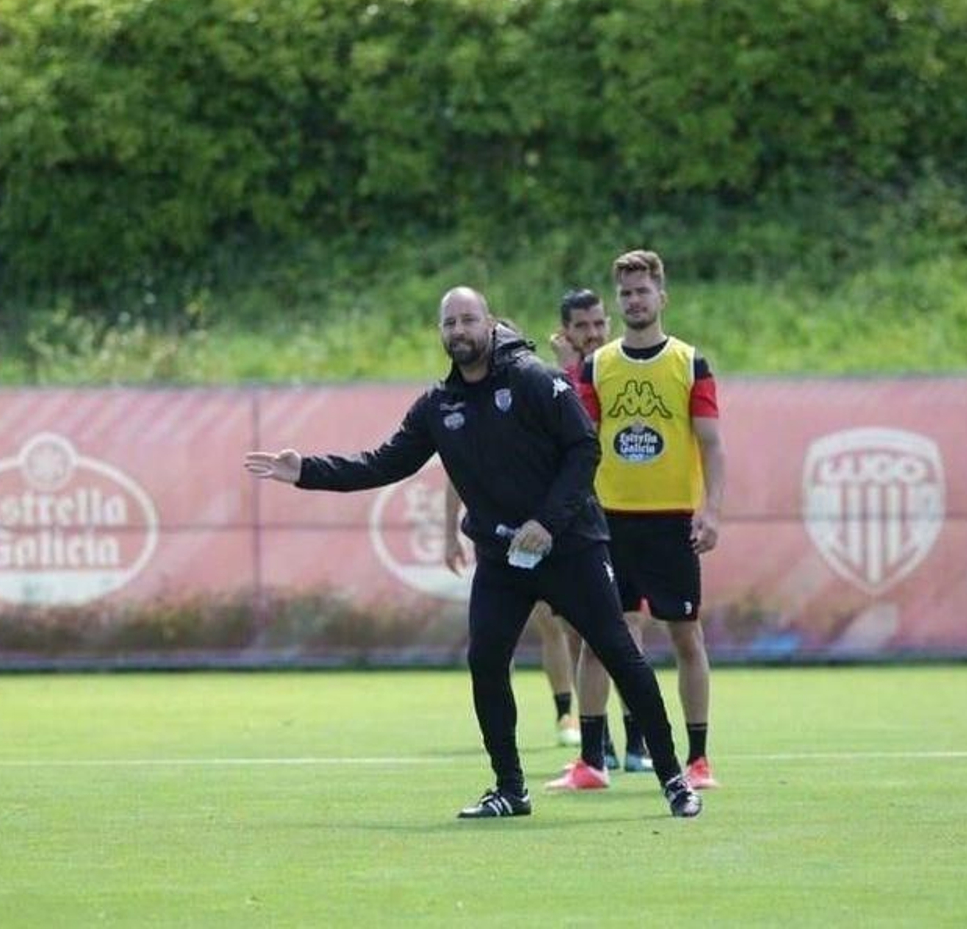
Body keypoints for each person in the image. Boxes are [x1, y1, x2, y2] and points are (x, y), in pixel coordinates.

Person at [246, 286, 701, 819]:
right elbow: (383, 463)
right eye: (448, 324)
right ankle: (511, 788)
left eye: (467, 320)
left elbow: (585, 449)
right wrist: (306, 472)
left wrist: (546, 522)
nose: (458, 332)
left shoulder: (535, 380)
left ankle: (673, 777)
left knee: (620, 654)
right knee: (485, 661)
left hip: (571, 545)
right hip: (502, 559)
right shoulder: (440, 406)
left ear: (489, 324)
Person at [549, 249, 726, 793]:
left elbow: (712, 445)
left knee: (686, 637)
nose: (633, 300)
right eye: (625, 293)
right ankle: (591, 762)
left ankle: (697, 760)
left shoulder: (689, 363)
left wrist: (712, 509)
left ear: (661, 297)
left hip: (672, 520)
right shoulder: (597, 367)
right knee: (609, 636)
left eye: (642, 291)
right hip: (609, 522)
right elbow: (580, 443)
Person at [440, 290, 624, 754]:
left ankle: (633, 737)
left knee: (613, 630)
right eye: (582, 326)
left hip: (607, 515)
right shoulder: (532, 383)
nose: (592, 334)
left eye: (598, 324)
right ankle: (575, 722)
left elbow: (588, 444)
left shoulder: (620, 370)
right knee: (551, 623)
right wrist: (450, 531)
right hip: (545, 526)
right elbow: (462, 467)